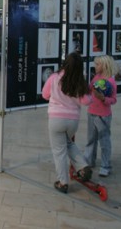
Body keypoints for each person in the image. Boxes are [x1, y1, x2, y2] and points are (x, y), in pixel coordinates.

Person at [42, 52, 93, 193]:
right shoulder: (79, 82)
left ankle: (63, 182)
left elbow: (45, 94)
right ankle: (82, 166)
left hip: (56, 119)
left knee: (59, 152)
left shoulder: (54, 78)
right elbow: (87, 101)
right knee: (68, 143)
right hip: (73, 121)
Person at [84, 55, 117, 177]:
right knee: (91, 140)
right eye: (95, 64)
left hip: (103, 116)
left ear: (105, 65)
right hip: (91, 113)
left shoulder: (111, 81)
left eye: (97, 64)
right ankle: (88, 162)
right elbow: (89, 90)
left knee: (104, 141)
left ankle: (105, 166)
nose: (95, 66)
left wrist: (104, 99)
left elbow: (113, 99)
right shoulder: (96, 77)